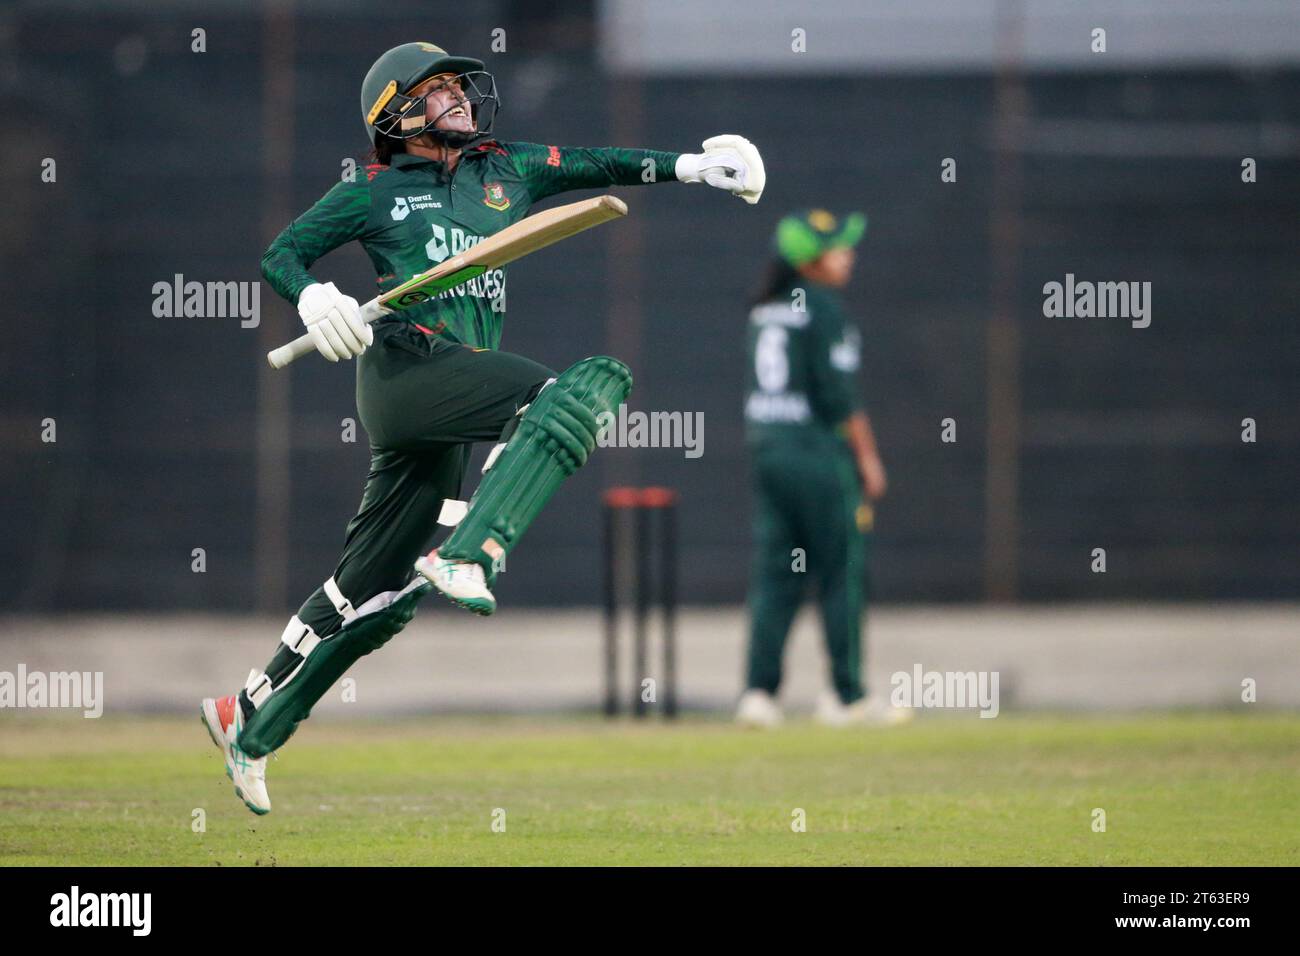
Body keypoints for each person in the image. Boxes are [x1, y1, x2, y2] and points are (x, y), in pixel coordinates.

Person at [200, 41, 766, 814]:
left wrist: (690, 167)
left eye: (460, 86)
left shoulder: (505, 169)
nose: (460, 98)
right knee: (562, 394)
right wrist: (312, 298)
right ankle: (471, 554)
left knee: (374, 595)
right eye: (437, 91)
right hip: (404, 373)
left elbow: (596, 165)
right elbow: (284, 253)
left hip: (453, 388)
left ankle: (249, 718)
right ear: (396, 115)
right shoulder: (372, 190)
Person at [736, 209, 908, 728]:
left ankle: (758, 696)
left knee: (775, 575)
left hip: (768, 451)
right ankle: (847, 697)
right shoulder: (824, 308)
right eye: (838, 248)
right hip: (815, 456)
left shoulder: (765, 309)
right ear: (810, 261)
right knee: (841, 572)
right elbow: (839, 398)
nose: (848, 255)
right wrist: (869, 460)